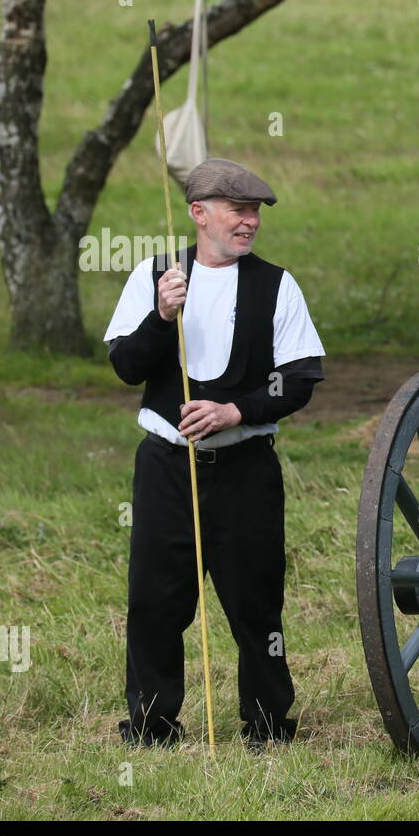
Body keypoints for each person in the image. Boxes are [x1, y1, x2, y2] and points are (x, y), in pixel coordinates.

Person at [104, 158, 326, 748]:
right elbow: (126, 367)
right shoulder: (156, 276)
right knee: (154, 600)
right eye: (238, 210)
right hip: (166, 469)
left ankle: (269, 725)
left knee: (256, 604)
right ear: (199, 213)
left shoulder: (277, 284)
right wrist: (160, 316)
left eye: (255, 212)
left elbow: (299, 379)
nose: (250, 222)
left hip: (245, 470)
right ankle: (152, 726)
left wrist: (237, 411)